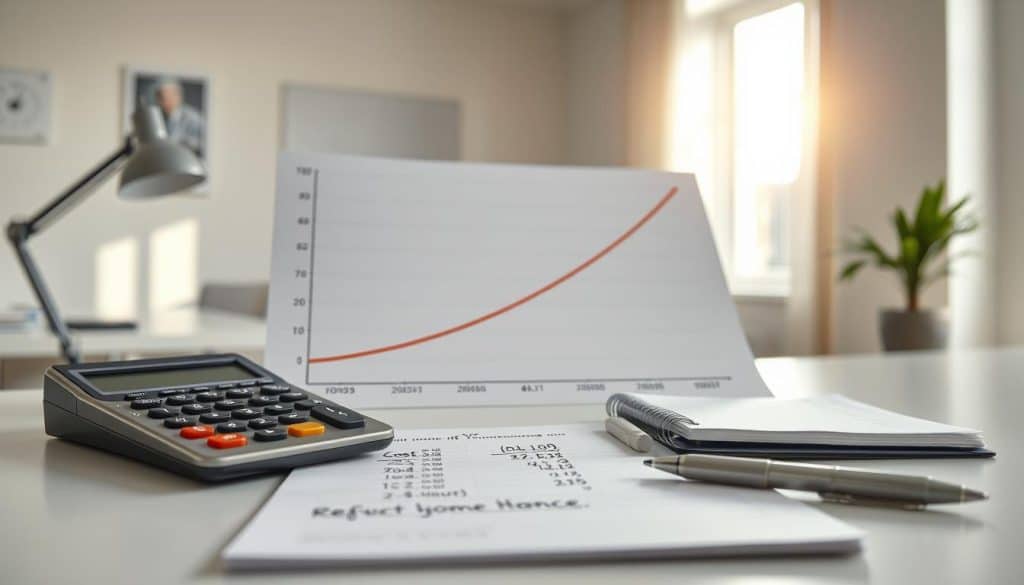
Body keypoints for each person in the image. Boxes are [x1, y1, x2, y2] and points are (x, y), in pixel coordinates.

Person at [152, 77, 205, 158]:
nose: (165, 102)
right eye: (161, 98)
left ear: (178, 97)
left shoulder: (193, 118)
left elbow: (197, 147)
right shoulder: (155, 118)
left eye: (169, 97)